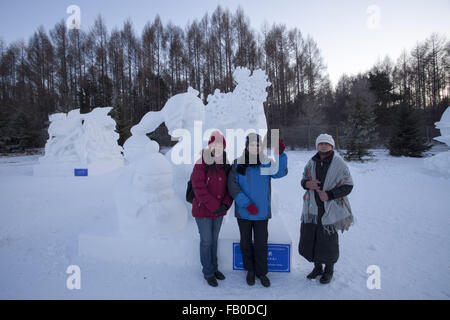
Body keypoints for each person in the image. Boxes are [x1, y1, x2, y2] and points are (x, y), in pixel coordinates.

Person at [228, 133, 288, 287]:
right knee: (245, 242)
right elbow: (232, 186)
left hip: (261, 213)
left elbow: (280, 172)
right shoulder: (237, 164)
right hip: (244, 212)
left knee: (261, 243)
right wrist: (246, 204)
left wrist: (280, 154)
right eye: (252, 144)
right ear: (247, 146)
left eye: (258, 145)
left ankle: (262, 272)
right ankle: (250, 271)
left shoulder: (266, 164)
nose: (255, 147)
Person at [298, 133, 354, 284]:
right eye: (321, 143)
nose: (323, 146)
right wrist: (307, 184)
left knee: (328, 241)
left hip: (330, 209)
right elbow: (304, 179)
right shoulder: (312, 162)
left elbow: (348, 185)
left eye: (327, 144)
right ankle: (317, 268)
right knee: (313, 239)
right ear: (317, 146)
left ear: (331, 146)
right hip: (312, 208)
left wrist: (329, 194)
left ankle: (328, 270)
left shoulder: (339, 163)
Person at [191, 131, 233, 287]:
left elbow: (230, 187)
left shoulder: (225, 165)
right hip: (203, 211)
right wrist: (215, 206)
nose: (217, 147)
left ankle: (214, 268)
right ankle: (208, 272)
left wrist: (226, 204)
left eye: (220, 145)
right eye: (214, 144)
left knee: (214, 241)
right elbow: (198, 188)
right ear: (209, 145)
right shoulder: (201, 163)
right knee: (206, 241)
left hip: (219, 211)